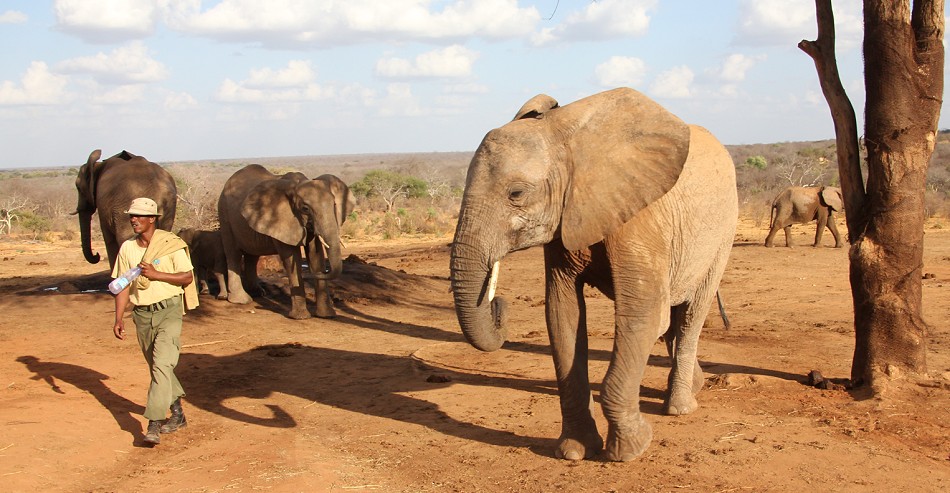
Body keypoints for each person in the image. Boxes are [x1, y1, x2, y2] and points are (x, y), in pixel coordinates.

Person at [111, 197, 199, 446]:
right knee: (159, 368)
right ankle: (178, 413)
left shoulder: (170, 244)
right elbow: (122, 284)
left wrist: (156, 274)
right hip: (141, 315)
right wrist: (119, 317)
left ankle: (154, 422)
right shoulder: (127, 248)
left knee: (161, 366)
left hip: (169, 311)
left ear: (153, 219)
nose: (134, 220)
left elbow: (187, 277)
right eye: (131, 216)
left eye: (139, 216)